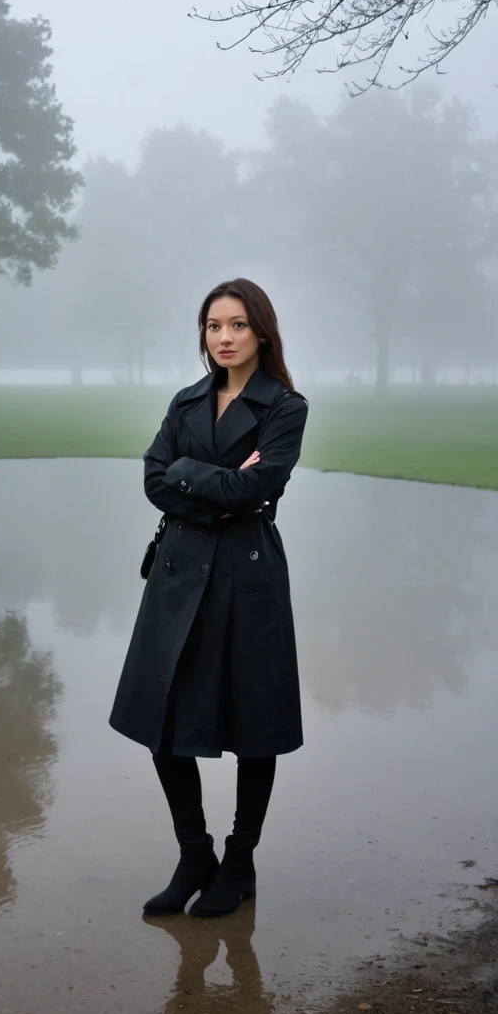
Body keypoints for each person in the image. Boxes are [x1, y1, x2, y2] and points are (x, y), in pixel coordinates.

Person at [108, 277, 309, 918]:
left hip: (246, 579)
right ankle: (194, 853)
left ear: (262, 332)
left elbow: (259, 489)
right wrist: (214, 483)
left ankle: (240, 859)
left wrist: (194, 478)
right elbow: (153, 479)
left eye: (238, 325)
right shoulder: (185, 401)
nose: (224, 337)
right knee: (161, 715)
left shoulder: (285, 408)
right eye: (214, 325)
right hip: (177, 573)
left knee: (255, 723)